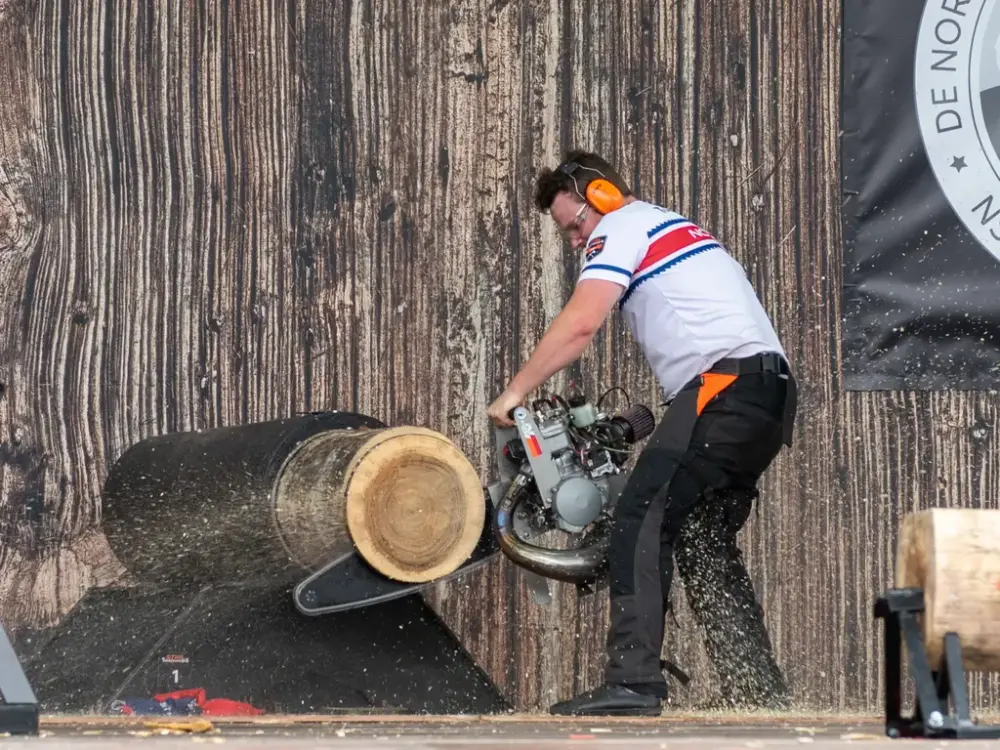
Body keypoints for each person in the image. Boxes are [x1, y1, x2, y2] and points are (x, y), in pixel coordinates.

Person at [486, 150, 797, 716]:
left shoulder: (624, 225)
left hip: (723, 387)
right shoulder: (670, 224)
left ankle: (633, 684)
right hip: (767, 397)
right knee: (702, 541)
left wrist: (514, 393)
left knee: (640, 515)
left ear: (600, 197)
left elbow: (582, 322)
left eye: (575, 225)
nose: (578, 242)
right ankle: (760, 693)